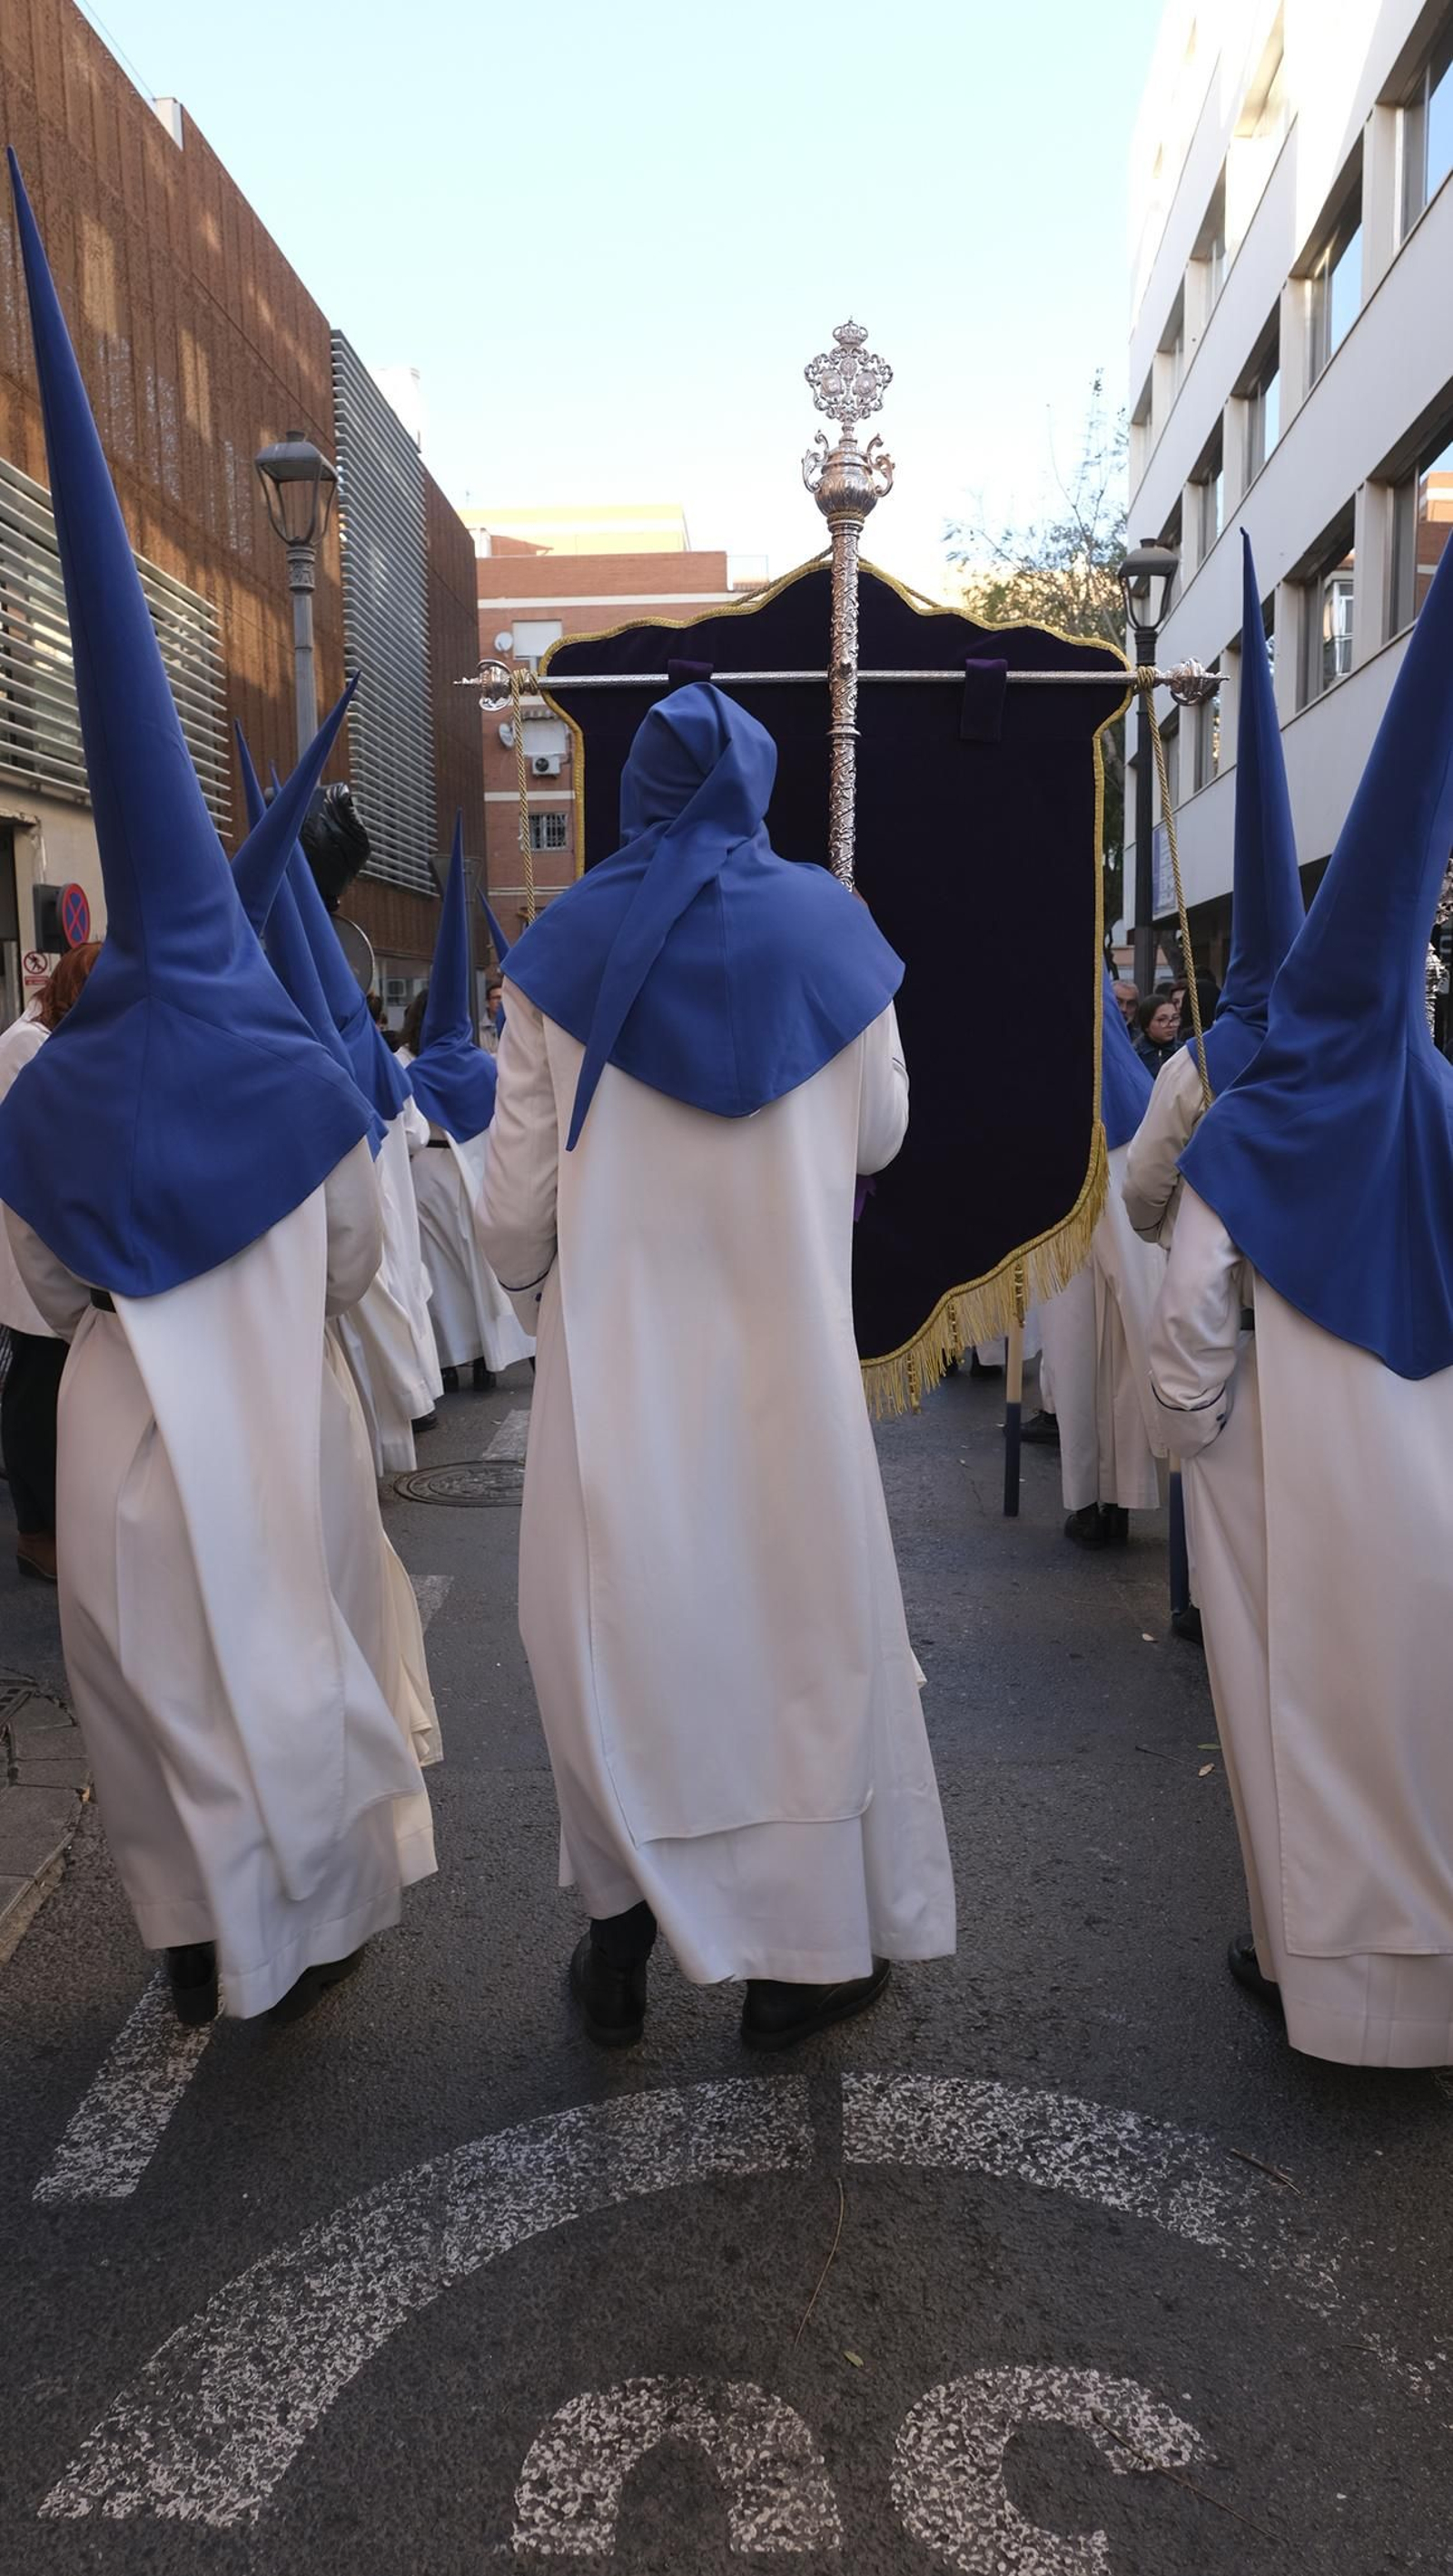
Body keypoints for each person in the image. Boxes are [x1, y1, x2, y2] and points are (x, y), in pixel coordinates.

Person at [0, 156, 436, 2028]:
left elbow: (44, 1289)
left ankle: (195, 1943)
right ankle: (316, 1926)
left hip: (124, 1433)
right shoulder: (291, 1063)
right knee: (296, 1643)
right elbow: (351, 1260)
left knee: (157, 1686)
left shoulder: (52, 1084)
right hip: (281, 1406)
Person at [478, 683, 955, 2050]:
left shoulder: (559, 952)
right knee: (795, 1643)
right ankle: (802, 1964)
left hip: (613, 1377)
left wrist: (535, 1299)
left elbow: (512, 1208)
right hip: (786, 1378)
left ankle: (620, 1932)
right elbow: (880, 1136)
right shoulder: (834, 930)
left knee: (610, 1634)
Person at [1149, 518, 1453, 2068]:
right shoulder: (1447, 1097)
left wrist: (1185, 1427)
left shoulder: (1252, 1111)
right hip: (1436, 1468)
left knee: (1298, 1720)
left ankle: (1323, 1987)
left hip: (1290, 1465)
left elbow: (1192, 1307)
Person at [1124, 535, 1304, 1250]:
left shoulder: (1203, 1060)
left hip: (1222, 1307)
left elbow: (1142, 1185)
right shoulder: (1345, 1053)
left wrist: (1169, 1227)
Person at [1039, 972, 1165, 1547]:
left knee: (1079, 1332)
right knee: (1126, 1332)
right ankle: (1118, 1493)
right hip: (1125, 1139)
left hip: (1072, 1143)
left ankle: (1092, 1497)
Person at [405, 824, 533, 1395]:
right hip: (477, 1173)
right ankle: (489, 1359)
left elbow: (404, 1128)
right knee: (481, 1273)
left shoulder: (411, 1069)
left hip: (428, 1177)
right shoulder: (485, 1064)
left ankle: (453, 1362)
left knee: (442, 1275)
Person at [0, 942, 101, 1582]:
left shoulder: (63, 1041)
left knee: (56, 1388)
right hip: (27, 1231)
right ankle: (36, 1532)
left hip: (58, 1228)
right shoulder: (25, 1044)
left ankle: (59, 1523)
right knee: (34, 1391)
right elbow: (38, 1145)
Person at [1133, 992, 1181, 1071]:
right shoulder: (1134, 1055)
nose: (1171, 1025)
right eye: (1162, 1020)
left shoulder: (1184, 1052)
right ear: (1146, 1025)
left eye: (1174, 1018)